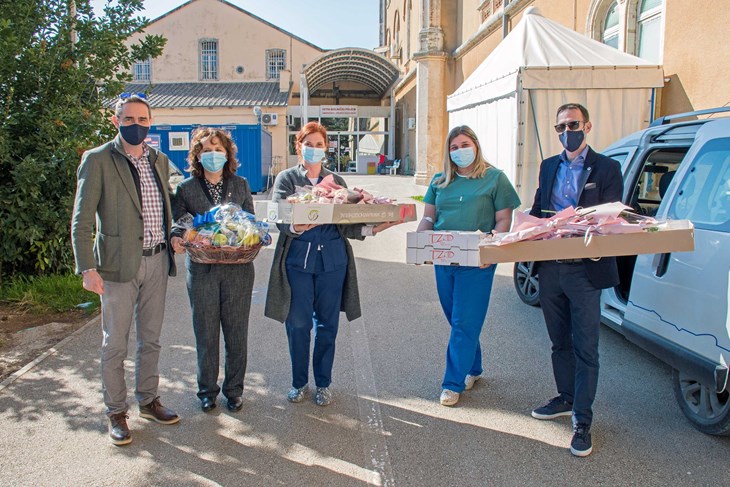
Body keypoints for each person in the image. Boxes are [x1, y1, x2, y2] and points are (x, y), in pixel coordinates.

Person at [265, 122, 402, 406]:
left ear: (326, 148)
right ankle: (299, 382)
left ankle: (323, 383)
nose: (313, 149)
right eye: (308, 143)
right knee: (298, 324)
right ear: (298, 146)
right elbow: (279, 217)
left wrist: (374, 228)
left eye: (319, 144)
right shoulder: (287, 178)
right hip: (298, 262)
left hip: (333, 261)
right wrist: (297, 225)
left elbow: (347, 222)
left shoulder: (337, 181)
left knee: (328, 325)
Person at [71, 93, 180, 446]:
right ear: (116, 121)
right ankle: (116, 411)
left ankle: (148, 400)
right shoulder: (98, 159)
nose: (137, 126)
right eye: (129, 119)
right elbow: (82, 219)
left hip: (157, 260)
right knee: (114, 342)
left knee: (152, 339)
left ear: (151, 122)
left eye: (143, 120)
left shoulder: (159, 160)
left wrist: (175, 237)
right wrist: (86, 267)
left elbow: (167, 209)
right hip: (117, 265)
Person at [529, 103, 623, 457]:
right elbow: (539, 209)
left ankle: (583, 421)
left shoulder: (608, 167)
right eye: (560, 127)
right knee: (558, 342)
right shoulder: (548, 166)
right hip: (551, 267)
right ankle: (566, 398)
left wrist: (583, 221)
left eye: (572, 124)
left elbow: (614, 214)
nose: (566, 131)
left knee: (586, 347)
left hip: (586, 269)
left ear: (587, 125)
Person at [417, 125, 521, 407]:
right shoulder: (440, 182)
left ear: (475, 145)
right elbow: (429, 218)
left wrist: (492, 250)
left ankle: (452, 383)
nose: (459, 151)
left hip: (477, 262)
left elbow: (503, 221)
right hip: (444, 260)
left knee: (464, 322)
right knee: (457, 318)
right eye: (453, 147)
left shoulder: (495, 179)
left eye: (464, 144)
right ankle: (473, 367)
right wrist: (419, 241)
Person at [170, 128, 255, 414]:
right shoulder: (186, 188)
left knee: (236, 333)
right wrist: (177, 238)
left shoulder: (241, 185)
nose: (213, 155)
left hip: (238, 269)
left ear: (228, 153)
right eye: (206, 150)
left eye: (218, 150)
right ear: (196, 155)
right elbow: (179, 223)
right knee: (205, 333)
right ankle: (207, 391)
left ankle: (234, 390)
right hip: (202, 268)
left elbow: (251, 223)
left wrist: (252, 235)